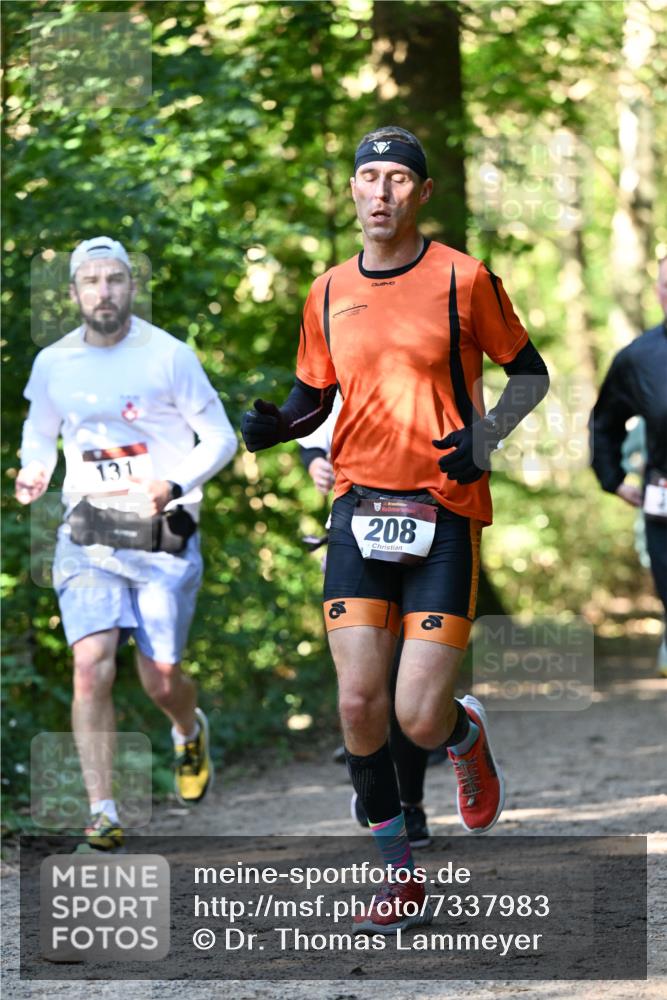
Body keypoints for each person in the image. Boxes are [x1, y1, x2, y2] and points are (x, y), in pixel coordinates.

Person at [242, 126, 549, 933]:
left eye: (396, 179)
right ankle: (400, 872)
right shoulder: (326, 290)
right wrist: (278, 425)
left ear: (422, 193)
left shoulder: (463, 278)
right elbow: (315, 395)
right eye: (367, 177)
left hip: (444, 513)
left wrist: (483, 439)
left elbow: (530, 373)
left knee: (416, 715)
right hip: (356, 509)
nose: (380, 193)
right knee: (356, 702)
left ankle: (462, 732)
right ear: (351, 190)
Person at [16, 236, 237, 851]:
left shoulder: (167, 355)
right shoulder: (54, 363)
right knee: (91, 667)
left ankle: (187, 728)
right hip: (87, 535)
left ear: (130, 287)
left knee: (161, 679)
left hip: (161, 535)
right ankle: (104, 811)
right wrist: (34, 469)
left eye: (115, 279)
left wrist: (174, 482)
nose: (104, 291)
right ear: (73, 293)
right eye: (91, 282)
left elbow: (219, 439)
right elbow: (39, 435)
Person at [298, 397, 433, 848]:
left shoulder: (428, 364)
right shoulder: (340, 358)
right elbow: (309, 437)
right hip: (353, 540)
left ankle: (410, 805)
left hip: (424, 534)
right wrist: (316, 462)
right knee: (361, 687)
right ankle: (378, 784)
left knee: (404, 685)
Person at [590, 257, 667, 677]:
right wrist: (614, 479)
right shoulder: (639, 358)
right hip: (663, 509)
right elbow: (605, 422)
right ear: (658, 291)